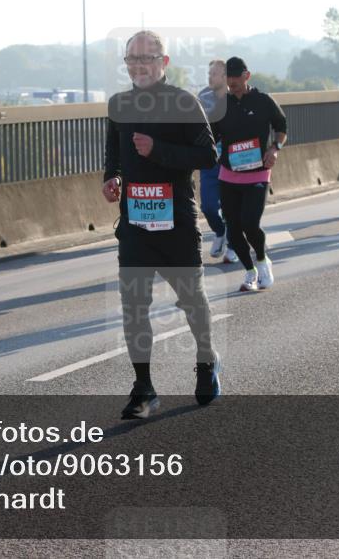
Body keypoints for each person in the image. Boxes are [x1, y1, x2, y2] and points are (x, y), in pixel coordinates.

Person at [102, 30, 221, 420]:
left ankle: (206, 360)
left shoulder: (183, 102)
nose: (138, 66)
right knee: (134, 309)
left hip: (177, 223)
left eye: (147, 59)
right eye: (131, 59)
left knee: (192, 302)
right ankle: (144, 388)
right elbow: (114, 154)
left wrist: (159, 151)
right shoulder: (119, 104)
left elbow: (209, 155)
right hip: (136, 224)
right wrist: (113, 179)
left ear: (163, 63)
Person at [210, 57, 288, 292]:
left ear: (247, 76)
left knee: (250, 223)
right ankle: (249, 272)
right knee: (233, 230)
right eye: (227, 77)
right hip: (229, 174)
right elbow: (210, 135)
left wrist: (275, 149)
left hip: (257, 174)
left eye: (235, 76)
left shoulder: (263, 101)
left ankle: (262, 261)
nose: (231, 81)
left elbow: (282, 127)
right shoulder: (221, 104)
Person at [196, 60, 238, 264]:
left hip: (232, 160)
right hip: (209, 160)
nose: (210, 77)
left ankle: (233, 245)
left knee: (232, 205)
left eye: (214, 73)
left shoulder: (235, 98)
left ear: (224, 77)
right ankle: (220, 231)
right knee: (208, 206)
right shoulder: (203, 97)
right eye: (209, 73)